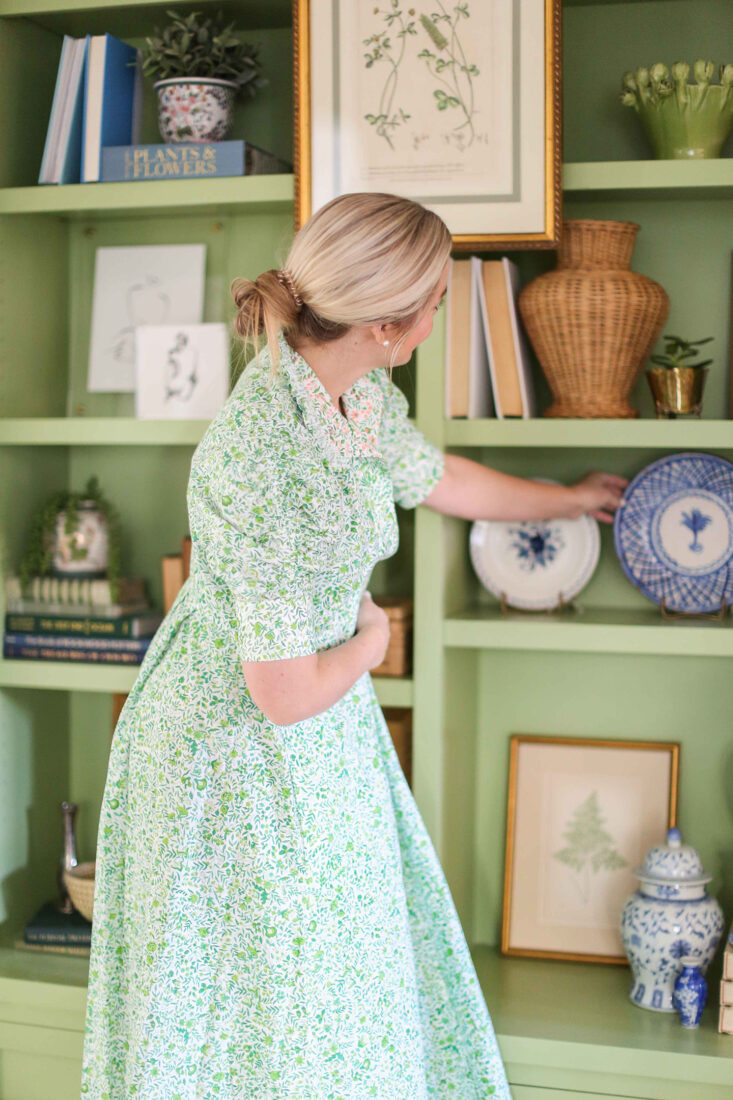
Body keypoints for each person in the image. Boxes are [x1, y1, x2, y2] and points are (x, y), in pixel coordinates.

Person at [80, 191, 626, 1099]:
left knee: (328, 996)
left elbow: (435, 475)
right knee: (255, 1012)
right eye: (438, 299)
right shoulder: (259, 450)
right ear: (388, 323)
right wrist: (374, 641)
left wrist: (565, 499)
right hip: (238, 746)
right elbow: (282, 692)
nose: (440, 313)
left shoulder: (351, 390)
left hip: (315, 722)